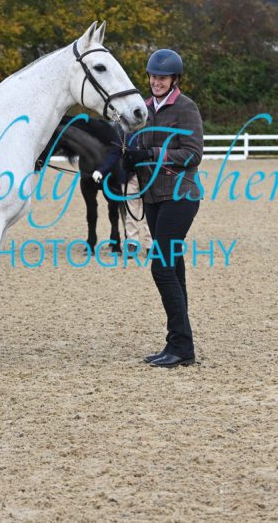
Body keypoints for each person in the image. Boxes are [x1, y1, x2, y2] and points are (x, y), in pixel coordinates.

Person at [123, 49, 204, 368]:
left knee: (161, 267)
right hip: (153, 197)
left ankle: (181, 345)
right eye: (153, 77)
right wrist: (128, 161)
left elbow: (193, 153)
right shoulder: (142, 109)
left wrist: (151, 153)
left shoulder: (186, 108)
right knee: (174, 269)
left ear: (174, 79)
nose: (156, 82)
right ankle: (179, 343)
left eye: (163, 78)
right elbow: (134, 146)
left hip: (181, 195)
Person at [92, 126, 153, 251]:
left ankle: (150, 244)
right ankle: (132, 243)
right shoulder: (123, 132)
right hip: (129, 176)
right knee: (131, 211)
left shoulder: (152, 128)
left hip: (149, 175)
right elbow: (114, 153)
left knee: (149, 210)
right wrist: (101, 170)